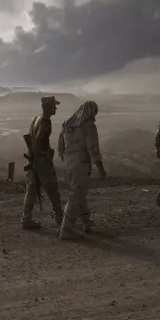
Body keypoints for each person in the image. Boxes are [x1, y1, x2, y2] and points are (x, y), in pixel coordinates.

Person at [57, 100, 106, 240]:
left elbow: (60, 147)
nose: (95, 116)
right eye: (95, 112)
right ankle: (66, 230)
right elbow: (93, 149)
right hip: (81, 165)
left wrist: (66, 160)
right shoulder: (89, 126)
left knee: (80, 193)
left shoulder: (67, 124)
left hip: (69, 165)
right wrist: (101, 168)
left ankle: (86, 222)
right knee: (75, 196)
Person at [21, 96, 64, 230]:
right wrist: (38, 159)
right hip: (41, 159)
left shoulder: (36, 118)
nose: (55, 108)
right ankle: (60, 219)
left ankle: (26, 220)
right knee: (52, 188)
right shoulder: (45, 121)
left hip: (34, 158)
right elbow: (39, 140)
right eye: (54, 106)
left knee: (32, 189)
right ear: (48, 107)